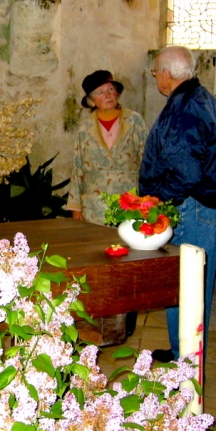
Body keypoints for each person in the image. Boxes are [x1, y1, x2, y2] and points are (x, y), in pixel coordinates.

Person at [139, 46, 216, 363]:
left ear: (167, 74)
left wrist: (156, 199)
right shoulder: (200, 98)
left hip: (193, 207)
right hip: (195, 204)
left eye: (156, 71)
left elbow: (186, 172)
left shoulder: (185, 109)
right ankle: (182, 349)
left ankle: (190, 358)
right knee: (178, 279)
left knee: (192, 284)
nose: (156, 77)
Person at [67, 70, 148, 339]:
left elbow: (147, 161)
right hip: (95, 205)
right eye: (102, 92)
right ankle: (97, 316)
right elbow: (76, 167)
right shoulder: (83, 129)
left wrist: (147, 201)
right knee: (97, 258)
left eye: (111, 89)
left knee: (129, 259)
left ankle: (126, 317)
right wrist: (76, 207)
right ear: (91, 101)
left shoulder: (135, 121)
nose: (109, 95)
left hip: (129, 201)